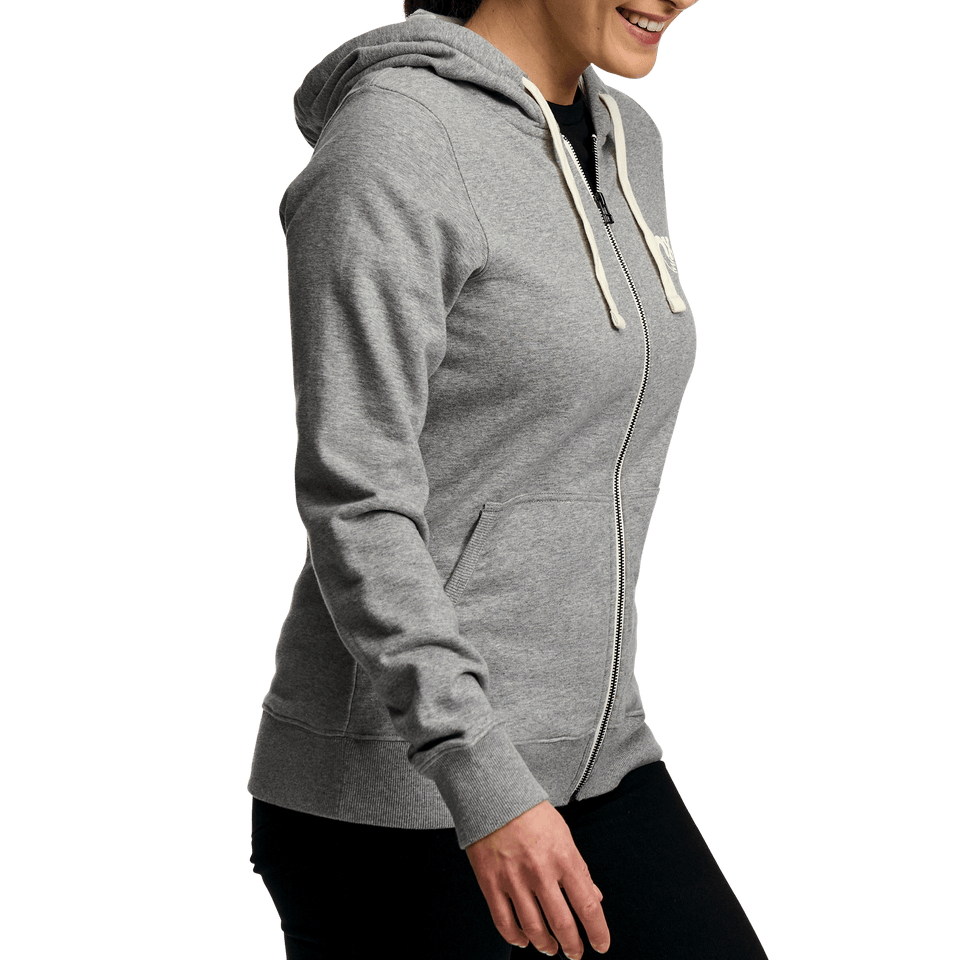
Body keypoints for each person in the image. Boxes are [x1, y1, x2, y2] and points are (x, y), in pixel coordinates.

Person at [246, 2, 771, 958]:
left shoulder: (626, 140)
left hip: (599, 756)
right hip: (407, 798)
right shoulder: (396, 139)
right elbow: (355, 494)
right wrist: (480, 775)